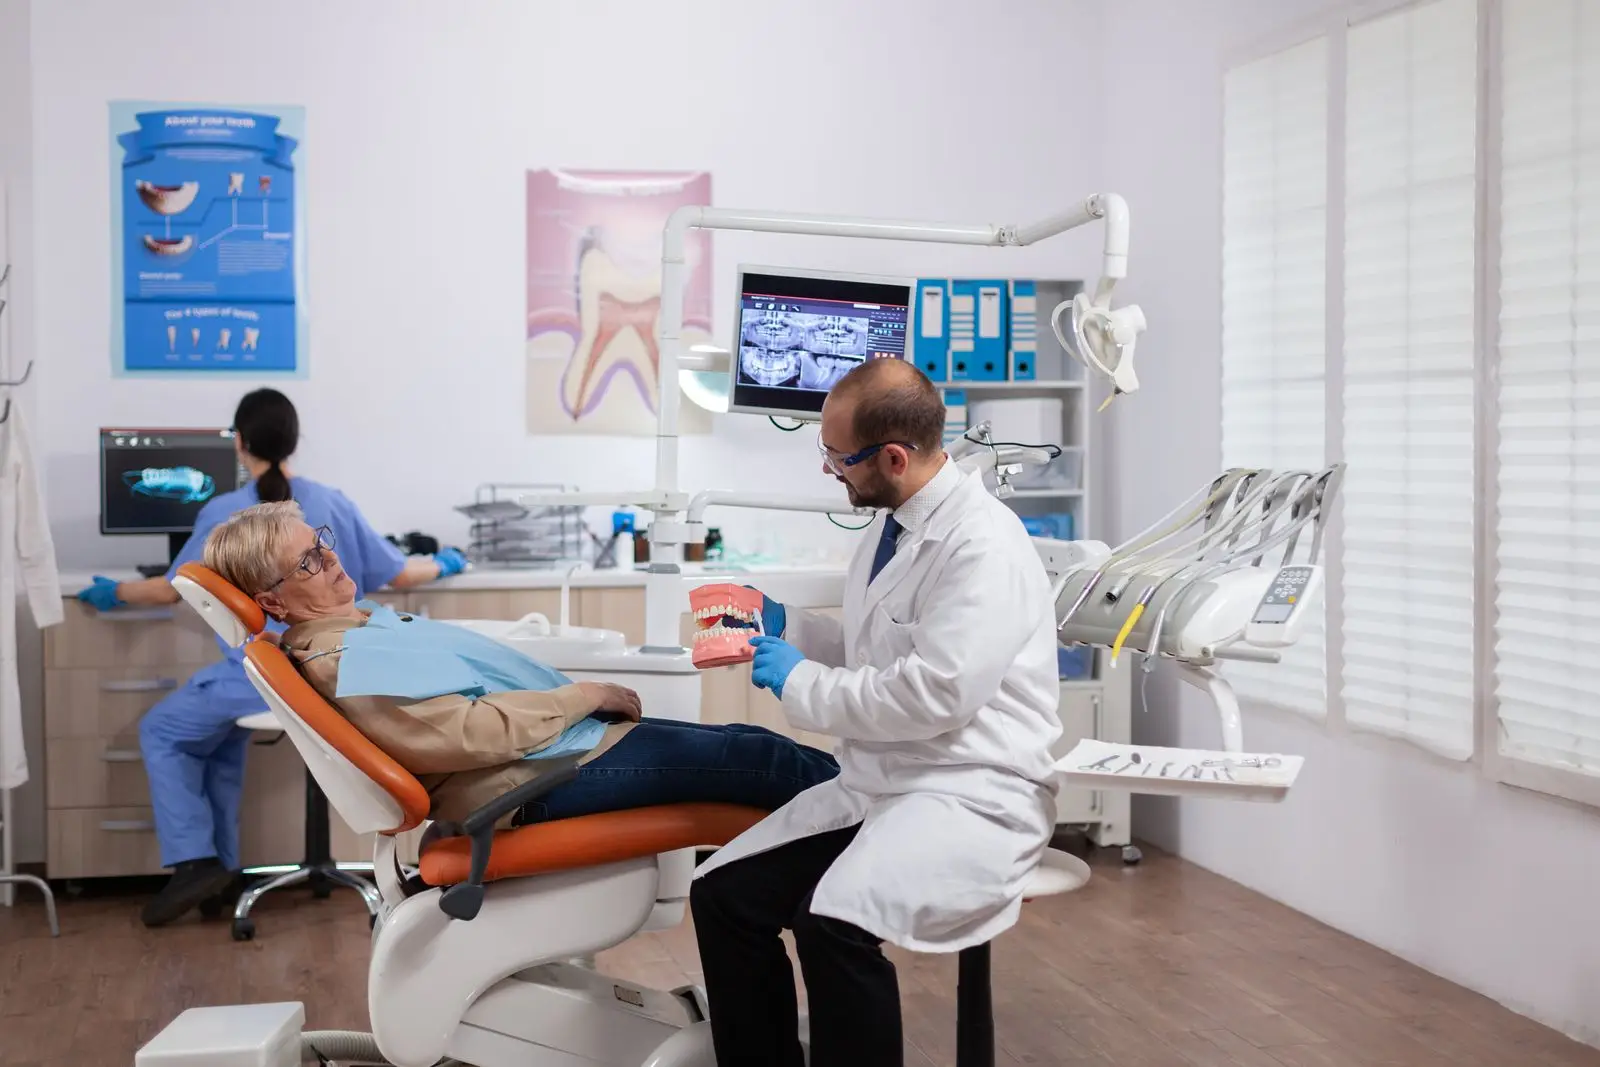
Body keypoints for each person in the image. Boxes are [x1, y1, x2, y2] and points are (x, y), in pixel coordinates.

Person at [688, 358, 1063, 1067]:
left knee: (832, 922)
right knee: (721, 894)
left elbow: (933, 692)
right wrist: (785, 625)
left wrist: (799, 681)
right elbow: (875, 652)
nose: (830, 471)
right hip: (886, 781)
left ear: (893, 457)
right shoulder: (892, 525)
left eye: (838, 457)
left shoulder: (981, 544)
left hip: (974, 790)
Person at [74, 389, 467, 927]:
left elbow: (171, 591)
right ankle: (221, 873)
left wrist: (111, 594)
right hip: (334, 666)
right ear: (293, 441)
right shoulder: (330, 502)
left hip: (267, 674)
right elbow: (397, 573)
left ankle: (195, 862)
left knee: (165, 731)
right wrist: (446, 562)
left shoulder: (223, 513)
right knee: (215, 740)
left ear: (239, 442)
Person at [203, 500, 840, 828]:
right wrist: (584, 695)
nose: (331, 561)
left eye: (321, 544)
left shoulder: (357, 624)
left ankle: (862, 823)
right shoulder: (344, 660)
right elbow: (471, 732)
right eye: (307, 563)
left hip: (553, 757)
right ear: (271, 601)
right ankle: (882, 827)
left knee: (749, 745)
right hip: (533, 782)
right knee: (761, 758)